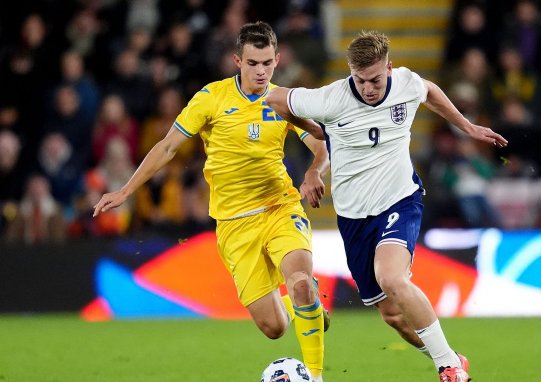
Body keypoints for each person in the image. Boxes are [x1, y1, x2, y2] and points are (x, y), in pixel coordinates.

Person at [93, 21, 329, 381]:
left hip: (279, 208)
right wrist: (126, 190)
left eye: (268, 62)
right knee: (273, 328)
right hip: (234, 225)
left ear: (278, 59)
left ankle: (314, 374)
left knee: (298, 280)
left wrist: (314, 171)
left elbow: (319, 144)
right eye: (253, 63)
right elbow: (168, 146)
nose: (261, 71)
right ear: (237, 60)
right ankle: (308, 305)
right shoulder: (210, 98)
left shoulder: (284, 100)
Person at [266, 30, 508, 382]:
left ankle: (449, 369)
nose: (368, 88)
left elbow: (430, 92)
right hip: (353, 218)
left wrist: (466, 126)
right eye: (360, 80)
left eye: (376, 79)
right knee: (393, 317)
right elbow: (275, 99)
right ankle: (451, 355)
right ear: (350, 73)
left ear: (389, 68)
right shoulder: (329, 99)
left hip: (400, 199)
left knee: (391, 276)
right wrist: (318, 136)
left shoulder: (406, 83)